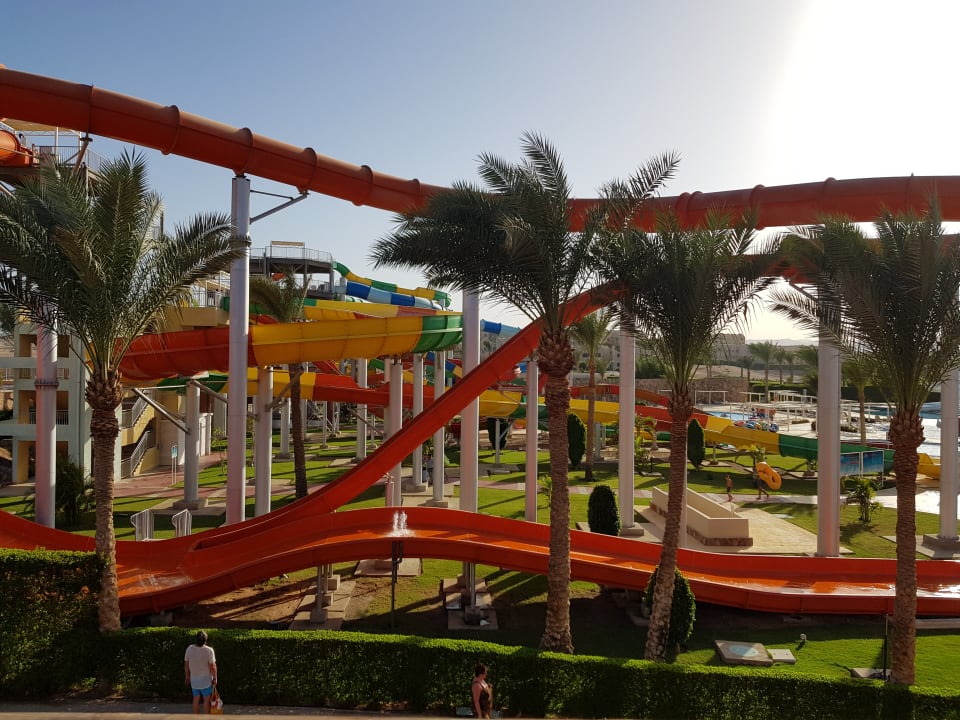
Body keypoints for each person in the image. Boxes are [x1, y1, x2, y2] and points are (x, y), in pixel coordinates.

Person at [184, 630, 218, 714]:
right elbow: (213, 667)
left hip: (194, 680)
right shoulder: (209, 650)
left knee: (195, 699)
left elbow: (186, 665)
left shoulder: (189, 649)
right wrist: (215, 678)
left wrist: (187, 677)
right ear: (206, 640)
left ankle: (196, 717)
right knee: (206, 700)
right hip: (206, 681)